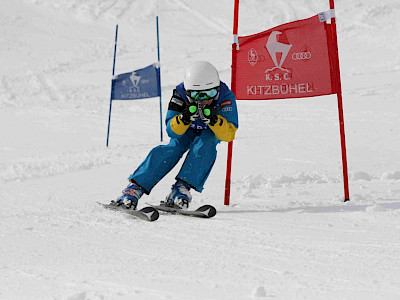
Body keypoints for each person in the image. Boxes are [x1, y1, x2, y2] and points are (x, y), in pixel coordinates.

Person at [111, 61, 239, 210]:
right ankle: (134, 189)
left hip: (210, 131)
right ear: (188, 92)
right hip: (186, 129)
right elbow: (171, 131)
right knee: (173, 148)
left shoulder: (225, 97)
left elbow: (228, 134)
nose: (203, 100)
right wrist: (184, 118)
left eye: (209, 93)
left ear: (217, 90)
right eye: (196, 95)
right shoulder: (180, 95)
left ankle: (181, 188)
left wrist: (214, 120)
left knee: (206, 145)